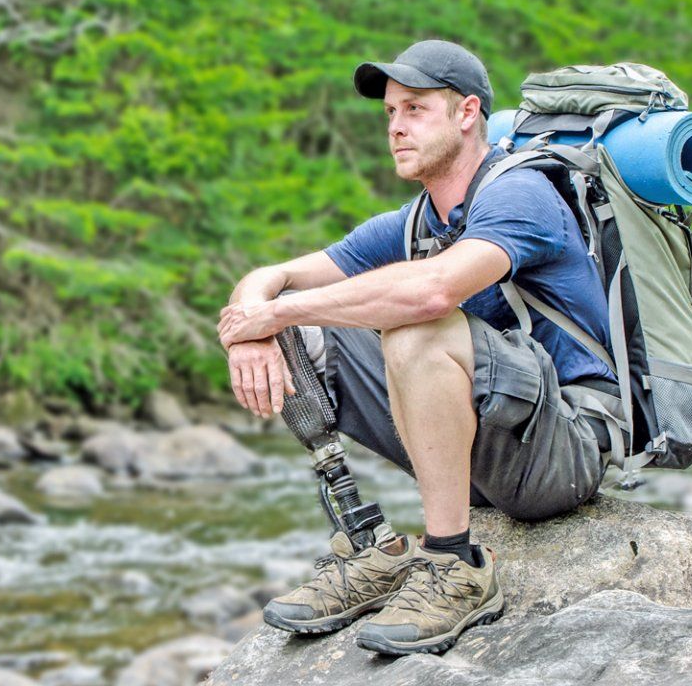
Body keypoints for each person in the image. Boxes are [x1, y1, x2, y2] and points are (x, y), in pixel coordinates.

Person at [216, 39, 621, 656]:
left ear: (467, 113)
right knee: (304, 324)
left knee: (414, 321)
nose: (397, 127)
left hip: (563, 451)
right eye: (390, 114)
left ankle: (455, 564)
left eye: (415, 109)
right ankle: (366, 543)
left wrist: (270, 313)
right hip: (490, 453)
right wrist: (260, 325)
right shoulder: (412, 222)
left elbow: (434, 292)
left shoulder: (522, 195)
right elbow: (274, 276)